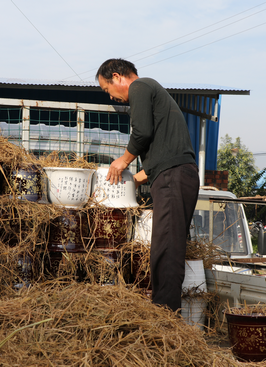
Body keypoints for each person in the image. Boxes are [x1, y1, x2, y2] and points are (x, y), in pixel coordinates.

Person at [96, 58, 200, 312]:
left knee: (166, 250)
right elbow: (160, 149)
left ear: (118, 77)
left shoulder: (140, 86)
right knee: (166, 247)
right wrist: (135, 177)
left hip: (173, 178)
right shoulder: (154, 91)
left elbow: (142, 132)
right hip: (174, 175)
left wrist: (122, 161)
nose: (111, 97)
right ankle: (165, 310)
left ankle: (165, 316)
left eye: (107, 90)